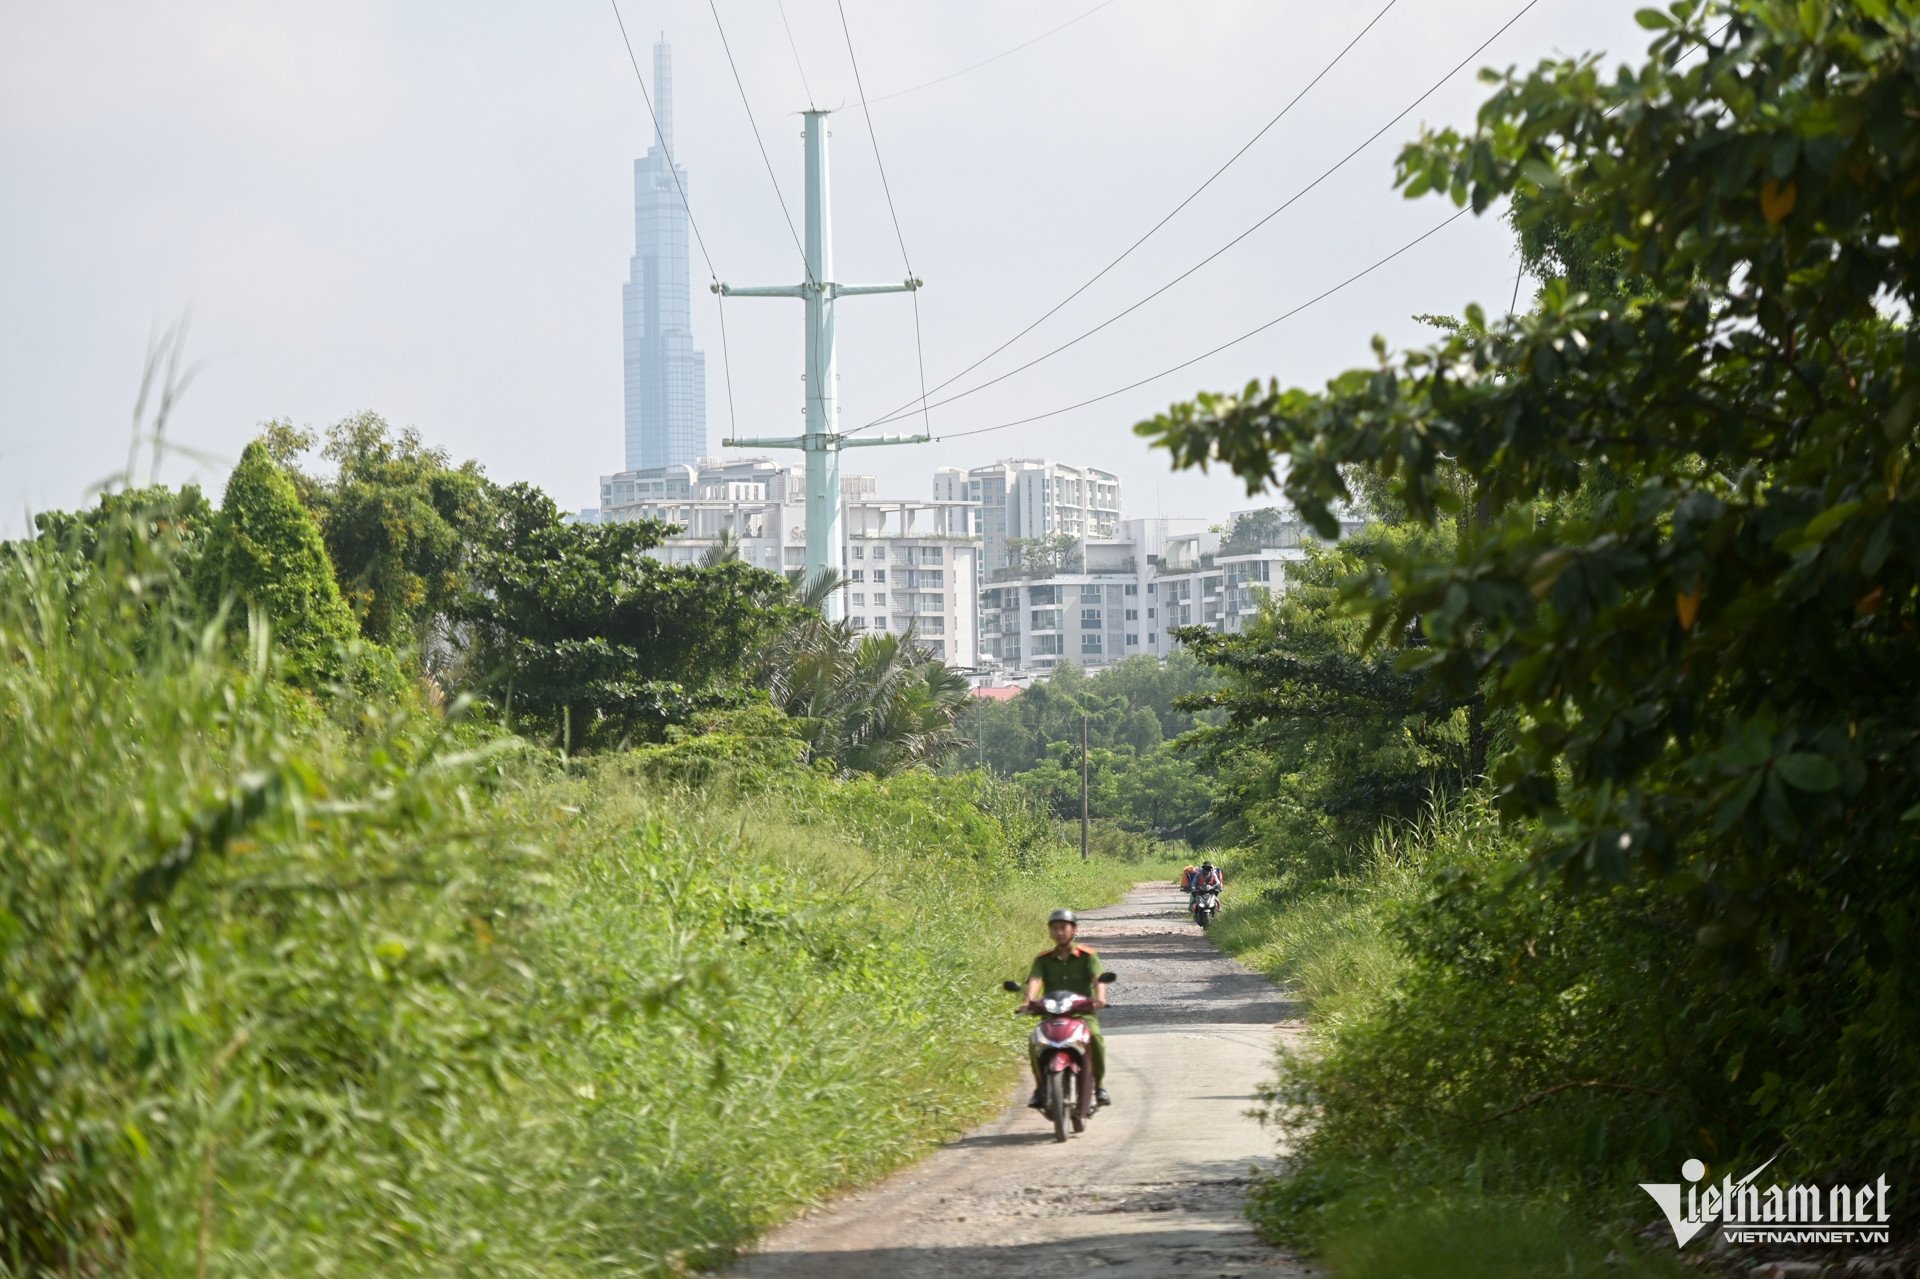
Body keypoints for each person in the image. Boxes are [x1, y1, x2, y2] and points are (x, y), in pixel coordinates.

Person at [1025, 908, 1109, 1109]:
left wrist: (1100, 998)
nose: (1059, 932)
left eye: (1063, 927)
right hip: (1051, 1015)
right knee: (1034, 1041)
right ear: (1050, 931)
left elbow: (1097, 978)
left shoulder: (1088, 956)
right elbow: (1035, 979)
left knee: (1096, 1038)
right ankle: (1039, 1088)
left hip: (1082, 1015)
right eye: (1055, 928)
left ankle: (1099, 1086)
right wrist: (1029, 999)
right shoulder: (1043, 959)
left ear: (1073, 930)